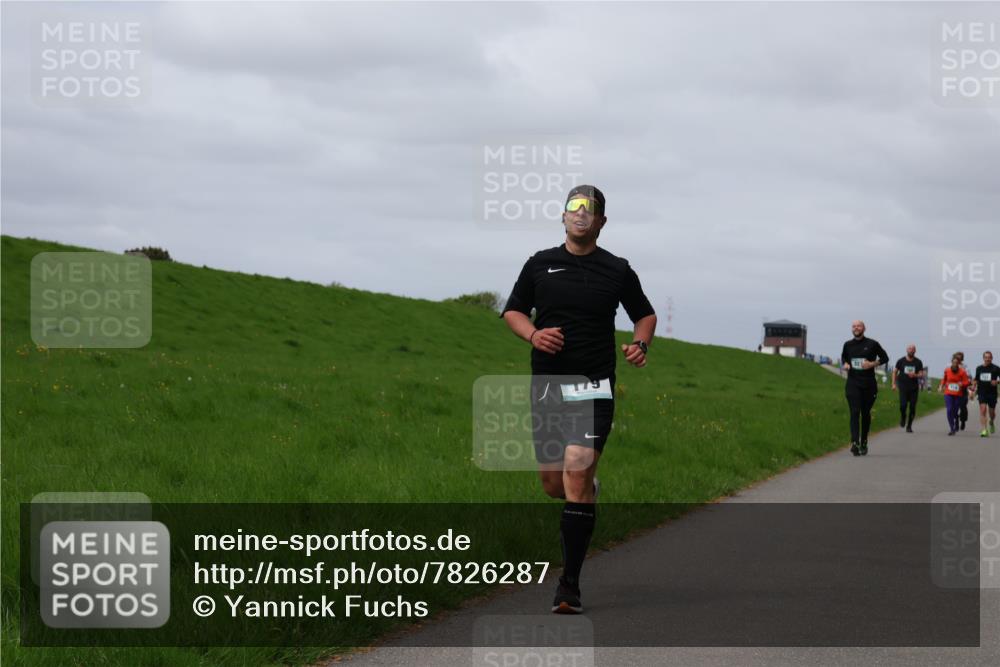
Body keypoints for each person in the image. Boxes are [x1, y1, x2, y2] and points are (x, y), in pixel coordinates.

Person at [501, 184, 656, 614]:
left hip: (593, 385)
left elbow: (644, 313)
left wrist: (640, 344)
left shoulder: (617, 270)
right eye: (574, 208)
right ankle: (585, 491)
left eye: (589, 209)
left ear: (602, 221)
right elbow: (513, 310)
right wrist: (533, 333)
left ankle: (568, 585)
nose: (580, 214)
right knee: (554, 484)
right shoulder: (540, 264)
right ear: (564, 216)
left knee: (574, 470)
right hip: (548, 384)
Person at [840, 321, 889, 456]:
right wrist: (845, 364)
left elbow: (885, 358)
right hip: (853, 383)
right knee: (855, 412)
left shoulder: (872, 344)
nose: (856, 328)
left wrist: (872, 364)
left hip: (868, 385)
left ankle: (864, 441)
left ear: (864, 328)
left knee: (865, 413)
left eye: (859, 326)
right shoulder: (847, 345)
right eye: (854, 326)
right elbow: (844, 357)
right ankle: (855, 442)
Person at [891, 344, 925, 433]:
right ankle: (903, 417)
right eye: (910, 349)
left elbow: (921, 374)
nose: (911, 350)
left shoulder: (918, 362)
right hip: (903, 386)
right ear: (907, 350)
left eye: (913, 349)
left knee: (912, 407)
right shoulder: (901, 361)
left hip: (913, 388)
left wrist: (915, 375)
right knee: (903, 405)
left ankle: (909, 426)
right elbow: (894, 372)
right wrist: (893, 384)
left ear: (915, 351)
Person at [939, 355, 971, 436]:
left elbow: (967, 382)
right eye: (953, 362)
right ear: (951, 363)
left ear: (958, 364)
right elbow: (944, 379)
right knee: (949, 409)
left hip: (958, 394)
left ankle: (956, 419)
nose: (954, 364)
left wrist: (962, 384)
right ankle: (952, 428)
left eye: (956, 363)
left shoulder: (962, 372)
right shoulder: (947, 370)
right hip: (948, 393)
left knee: (955, 411)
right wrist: (941, 386)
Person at [971, 351, 999, 437]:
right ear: (983, 358)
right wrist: (973, 386)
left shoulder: (996, 368)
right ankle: (984, 430)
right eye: (986, 357)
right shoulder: (979, 368)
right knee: (983, 410)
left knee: (992, 413)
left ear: (991, 358)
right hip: (982, 392)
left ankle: (991, 422)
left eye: (989, 357)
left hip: (992, 393)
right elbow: (976, 379)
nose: (987, 359)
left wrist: (997, 382)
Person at [955, 351, 970, 430]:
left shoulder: (965, 367)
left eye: (960, 358)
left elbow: (969, 377)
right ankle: (956, 420)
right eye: (957, 358)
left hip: (963, 390)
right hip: (953, 390)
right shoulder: (949, 366)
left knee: (963, 407)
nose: (958, 359)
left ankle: (963, 420)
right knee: (954, 407)